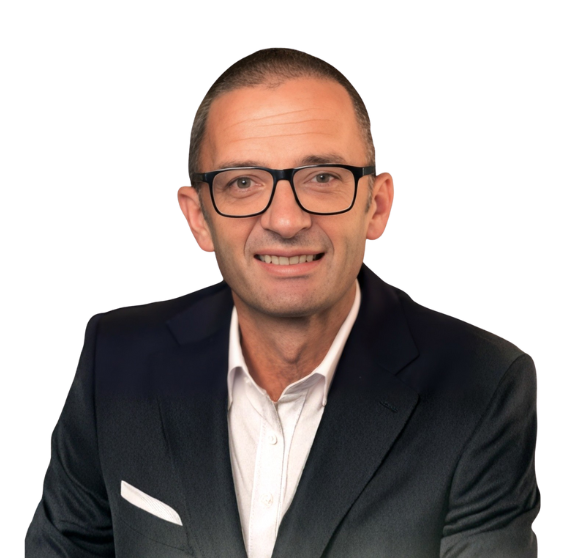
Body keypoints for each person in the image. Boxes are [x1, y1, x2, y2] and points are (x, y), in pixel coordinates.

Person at [25, 48, 539, 558]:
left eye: (323, 177)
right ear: (198, 218)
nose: (286, 221)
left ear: (378, 205)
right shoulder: (114, 360)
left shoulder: (483, 384)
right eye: (243, 183)